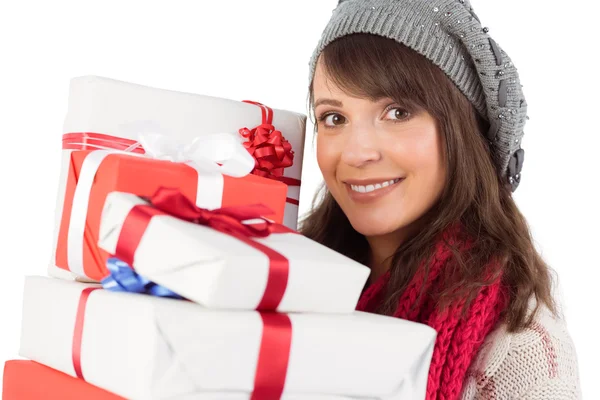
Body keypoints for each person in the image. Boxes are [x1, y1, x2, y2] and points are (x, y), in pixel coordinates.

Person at [301, 1, 581, 399]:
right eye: (334, 118)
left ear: (462, 131)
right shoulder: (287, 277)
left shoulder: (520, 352)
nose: (355, 153)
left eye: (397, 112)